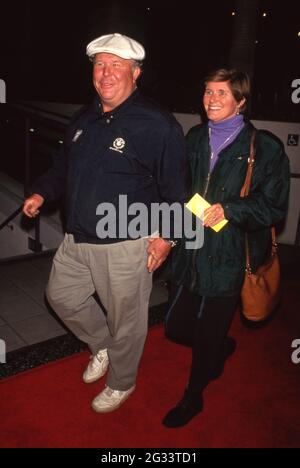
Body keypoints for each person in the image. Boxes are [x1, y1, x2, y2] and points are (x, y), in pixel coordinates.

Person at [23, 33, 189, 413]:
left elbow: (178, 191)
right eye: (100, 65)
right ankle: (102, 345)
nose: (106, 73)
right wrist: (42, 193)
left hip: (126, 243)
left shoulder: (157, 124)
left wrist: (168, 239)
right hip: (77, 236)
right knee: (60, 296)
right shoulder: (84, 118)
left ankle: (122, 381)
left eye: (117, 65)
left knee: (127, 321)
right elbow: (63, 166)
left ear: (136, 73)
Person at [163, 68, 290, 428]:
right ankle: (219, 347)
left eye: (221, 93)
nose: (211, 99)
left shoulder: (263, 147)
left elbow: (274, 205)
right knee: (176, 326)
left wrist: (231, 209)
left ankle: (193, 396)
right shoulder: (193, 137)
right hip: (191, 246)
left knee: (206, 333)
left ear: (241, 101)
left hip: (232, 253)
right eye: (207, 92)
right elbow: (180, 187)